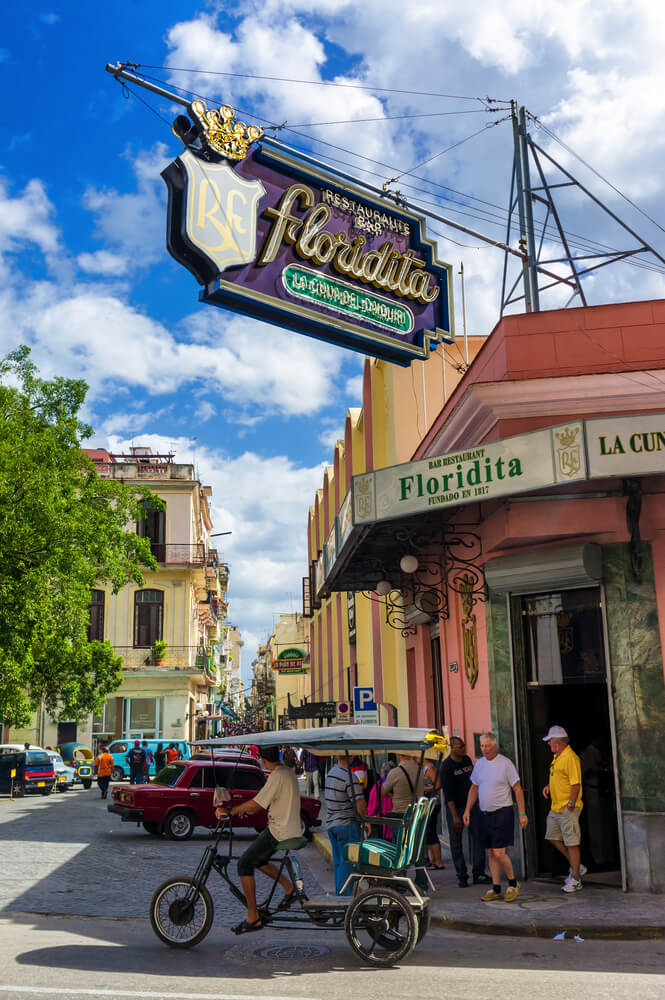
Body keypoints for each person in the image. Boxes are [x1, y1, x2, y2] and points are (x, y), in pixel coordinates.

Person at [215, 745, 301, 934]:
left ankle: (253, 917)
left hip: (280, 831)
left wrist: (231, 810)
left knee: (244, 864)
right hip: (289, 828)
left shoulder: (277, 775)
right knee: (258, 859)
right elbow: (258, 805)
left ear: (262, 759)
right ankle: (289, 889)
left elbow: (257, 803)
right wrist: (245, 810)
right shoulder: (286, 771)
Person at [463, 732, 528, 902]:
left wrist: (522, 813)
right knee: (491, 852)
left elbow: (518, 789)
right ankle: (496, 888)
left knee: (500, 853)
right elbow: (474, 788)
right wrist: (467, 810)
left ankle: (513, 883)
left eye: (487, 745)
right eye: (482, 745)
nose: (484, 749)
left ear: (494, 746)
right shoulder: (479, 764)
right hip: (484, 814)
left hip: (503, 813)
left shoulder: (506, 764)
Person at [440, 736, 489, 887]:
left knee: (479, 838)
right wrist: (455, 817)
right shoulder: (446, 767)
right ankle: (462, 875)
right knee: (456, 843)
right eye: (460, 746)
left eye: (464, 745)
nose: (463, 748)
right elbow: (448, 796)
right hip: (456, 808)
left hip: (472, 806)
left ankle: (478, 873)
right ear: (452, 748)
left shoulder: (467, 760)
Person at [542, 725, 585, 893]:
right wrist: (549, 786)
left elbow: (575, 783)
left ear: (558, 742)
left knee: (572, 842)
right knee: (552, 836)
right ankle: (577, 866)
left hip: (568, 807)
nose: (548, 744)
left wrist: (571, 804)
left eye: (550, 741)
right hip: (556, 807)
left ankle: (576, 879)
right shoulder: (557, 756)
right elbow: (561, 779)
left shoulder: (570, 757)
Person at [382, 752, 428, 891]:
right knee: (418, 850)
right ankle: (422, 883)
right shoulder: (420, 770)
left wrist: (394, 795)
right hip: (417, 815)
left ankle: (401, 885)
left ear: (399, 755)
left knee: (400, 850)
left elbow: (384, 791)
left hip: (400, 815)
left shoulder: (395, 772)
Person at [324, 755, 368, 894]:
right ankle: (344, 899)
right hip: (346, 824)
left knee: (339, 864)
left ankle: (340, 896)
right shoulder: (350, 777)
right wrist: (366, 820)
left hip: (332, 825)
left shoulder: (331, 774)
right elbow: (359, 803)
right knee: (347, 864)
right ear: (352, 756)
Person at [423, 756, 445, 870]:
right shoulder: (424, 768)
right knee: (429, 832)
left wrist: (423, 789)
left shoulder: (429, 768)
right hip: (428, 804)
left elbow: (438, 784)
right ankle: (433, 860)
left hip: (433, 804)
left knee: (431, 832)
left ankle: (439, 862)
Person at [367, 761, 394, 841]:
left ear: (382, 772)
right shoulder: (396, 785)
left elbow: (372, 809)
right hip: (394, 827)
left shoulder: (378, 786)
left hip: (381, 828)